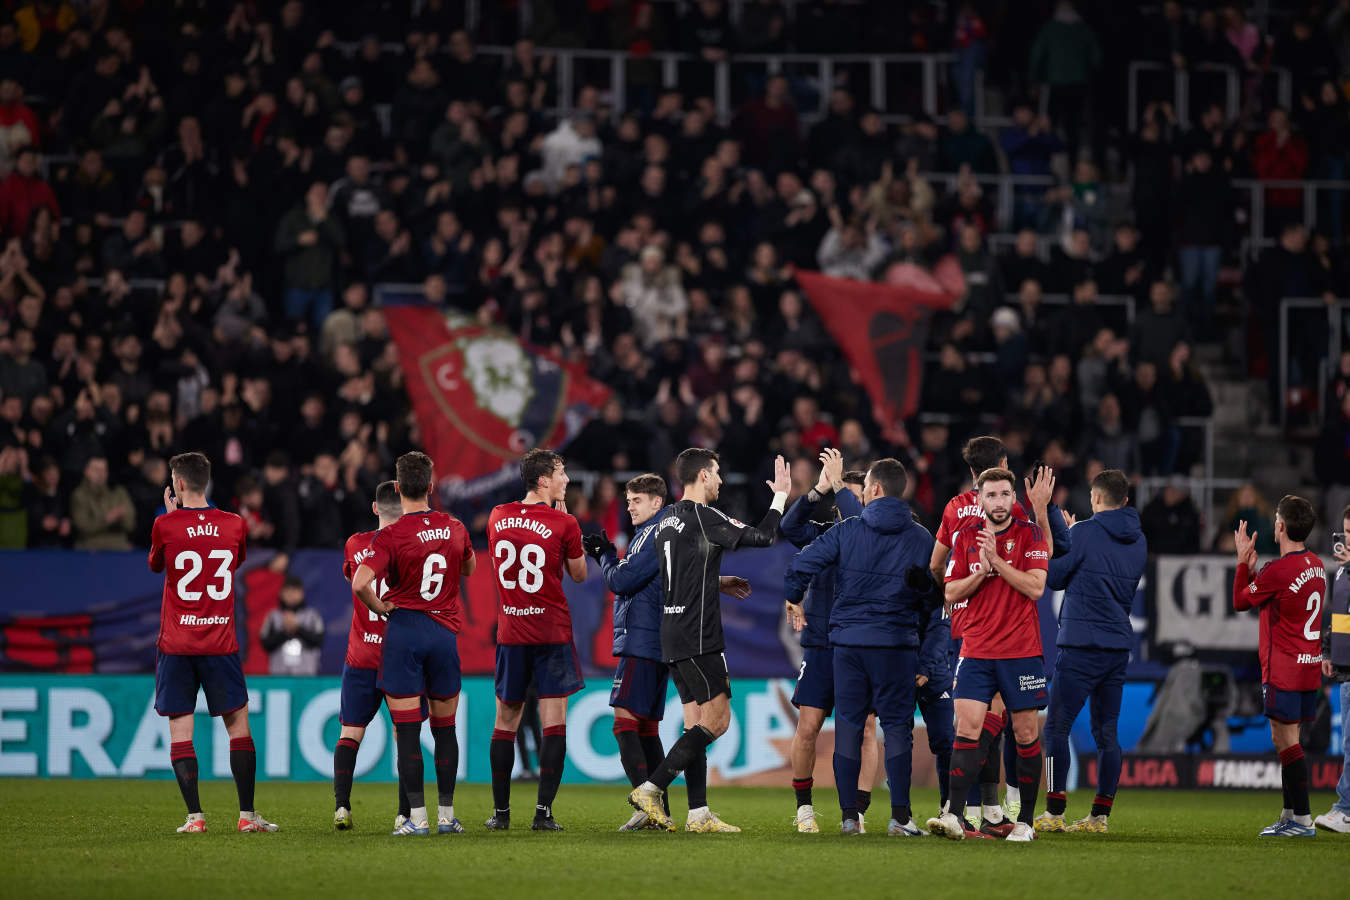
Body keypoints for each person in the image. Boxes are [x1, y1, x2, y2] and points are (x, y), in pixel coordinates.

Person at [628, 447, 787, 833]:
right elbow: (764, 537)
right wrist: (781, 494)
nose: (719, 481)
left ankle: (698, 814)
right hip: (698, 633)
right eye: (715, 473)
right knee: (718, 721)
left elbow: (676, 576)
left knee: (694, 723)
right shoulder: (705, 517)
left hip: (670, 630)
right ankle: (651, 788)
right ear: (701, 476)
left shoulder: (665, 522)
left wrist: (717, 581)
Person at [783, 458, 940, 837]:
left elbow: (802, 565)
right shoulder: (922, 538)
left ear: (874, 490)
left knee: (851, 726)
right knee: (897, 729)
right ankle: (900, 819)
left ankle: (850, 817)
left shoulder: (847, 531)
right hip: (895, 646)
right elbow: (937, 598)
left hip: (847, 644)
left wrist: (793, 595)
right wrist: (921, 596)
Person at [929, 436, 1064, 833]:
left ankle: (1023, 821)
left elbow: (1036, 587)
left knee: (1024, 733)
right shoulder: (966, 536)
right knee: (967, 728)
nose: (1000, 501)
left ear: (1013, 498)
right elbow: (949, 590)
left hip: (1021, 650)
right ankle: (955, 815)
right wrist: (978, 571)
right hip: (976, 648)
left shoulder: (1031, 534)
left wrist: (996, 563)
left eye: (1006, 493)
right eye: (992, 495)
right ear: (981, 499)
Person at [148, 451, 277, 834]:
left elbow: (157, 565)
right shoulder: (235, 524)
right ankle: (247, 815)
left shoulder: (165, 526)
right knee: (239, 727)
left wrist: (172, 516)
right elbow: (234, 562)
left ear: (180, 484)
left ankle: (196, 818)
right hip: (220, 642)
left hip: (177, 645)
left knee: (180, 730)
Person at [351, 451, 475, 836]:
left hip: (405, 632)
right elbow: (469, 567)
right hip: (443, 634)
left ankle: (416, 820)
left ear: (400, 489)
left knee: (407, 731)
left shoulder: (391, 535)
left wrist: (381, 606)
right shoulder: (454, 526)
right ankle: (447, 817)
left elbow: (359, 583)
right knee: (445, 729)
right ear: (432, 487)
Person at [1034, 470, 1147, 834]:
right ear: (1125, 501)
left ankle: (1054, 811)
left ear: (1096, 499)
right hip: (1116, 648)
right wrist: (1071, 536)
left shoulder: (1083, 533)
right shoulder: (1139, 540)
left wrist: (1063, 535)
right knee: (1107, 733)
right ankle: (1100, 816)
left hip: (1080, 645)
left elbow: (1054, 577)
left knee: (1055, 728)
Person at [485, 448, 589, 832]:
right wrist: (563, 518)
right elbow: (578, 575)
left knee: (505, 721)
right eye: (561, 472)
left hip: (512, 631)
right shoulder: (564, 523)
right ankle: (543, 814)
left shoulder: (497, 516)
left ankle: (501, 814)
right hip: (551, 632)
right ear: (544, 480)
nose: (566, 478)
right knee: (553, 723)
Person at [778, 448, 874, 833]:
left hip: (862, 644)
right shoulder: (822, 535)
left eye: (852, 494)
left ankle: (859, 811)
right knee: (808, 727)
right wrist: (818, 490)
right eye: (841, 495)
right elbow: (788, 527)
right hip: (820, 643)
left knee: (867, 728)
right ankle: (804, 809)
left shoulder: (877, 541)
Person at [583, 473, 675, 831]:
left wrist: (604, 555)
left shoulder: (652, 534)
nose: (630, 507)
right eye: (628, 501)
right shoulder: (652, 535)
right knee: (646, 728)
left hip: (642, 637)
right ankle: (658, 812)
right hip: (654, 638)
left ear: (656, 502)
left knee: (623, 723)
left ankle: (646, 801)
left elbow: (620, 580)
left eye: (637, 500)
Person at [1232, 496, 1326, 838]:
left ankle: (1302, 818)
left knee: (1286, 740)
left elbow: (1241, 600)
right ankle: (1289, 814)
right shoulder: (1316, 564)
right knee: (1285, 737)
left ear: (1281, 526)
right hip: (1308, 665)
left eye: (1275, 517)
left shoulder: (1279, 570)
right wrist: (1258, 573)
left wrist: (1243, 563)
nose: (1274, 522)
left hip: (1284, 668)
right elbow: (1281, 598)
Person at [332, 480, 414, 832]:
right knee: (405, 736)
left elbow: (352, 576)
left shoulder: (355, 544)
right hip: (400, 656)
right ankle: (403, 814)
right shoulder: (414, 546)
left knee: (350, 732)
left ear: (375, 508)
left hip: (361, 655)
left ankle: (342, 807)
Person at [1316, 505, 1350, 832]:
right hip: (1345, 666)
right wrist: (1329, 651)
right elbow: (1339, 620)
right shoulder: (1343, 572)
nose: (1345, 539)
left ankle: (1346, 808)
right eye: (1345, 531)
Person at [258, 575, 325, 675]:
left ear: (301, 593)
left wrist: (297, 628)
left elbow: (318, 640)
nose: (291, 595)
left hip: (307, 676)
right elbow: (265, 643)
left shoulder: (312, 616)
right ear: (281, 593)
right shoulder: (273, 616)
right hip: (279, 677)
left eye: (295, 591)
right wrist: (285, 631)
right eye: (287, 591)